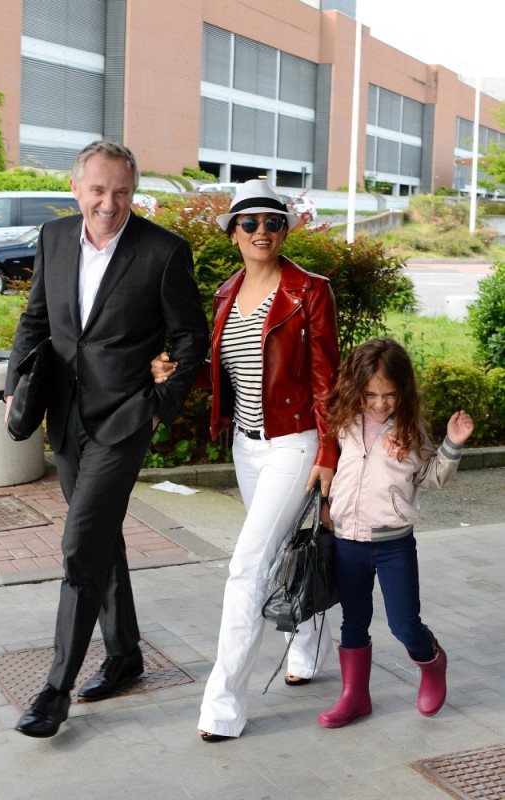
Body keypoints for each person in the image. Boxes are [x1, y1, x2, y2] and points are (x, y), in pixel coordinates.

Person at [4, 140, 209, 738]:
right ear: (76, 189)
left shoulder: (163, 251)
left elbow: (191, 338)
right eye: (97, 190)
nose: (109, 203)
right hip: (65, 416)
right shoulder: (54, 238)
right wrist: (16, 385)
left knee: (80, 545)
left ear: (133, 192)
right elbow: (36, 319)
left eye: (121, 192)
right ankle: (124, 654)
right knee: (100, 538)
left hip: (124, 420)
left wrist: (159, 407)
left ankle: (54, 691)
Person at [152, 180, 340, 741]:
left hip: (295, 442)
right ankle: (309, 647)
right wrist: (173, 372)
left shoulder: (309, 291)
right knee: (282, 550)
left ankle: (222, 706)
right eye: (250, 223)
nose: (262, 231)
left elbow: (327, 380)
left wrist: (328, 453)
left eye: (273, 222)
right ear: (233, 233)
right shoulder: (225, 294)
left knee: (247, 567)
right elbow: (221, 371)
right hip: (246, 444)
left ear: (285, 231)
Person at [317, 337, 474, 729]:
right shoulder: (343, 422)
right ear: (356, 388)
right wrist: (325, 506)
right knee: (353, 621)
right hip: (348, 542)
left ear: (403, 390)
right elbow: (329, 468)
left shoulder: (410, 430)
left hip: (394, 545)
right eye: (370, 394)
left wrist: (453, 444)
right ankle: (355, 697)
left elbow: (432, 478)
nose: (379, 403)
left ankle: (432, 663)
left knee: (404, 624)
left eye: (389, 394)